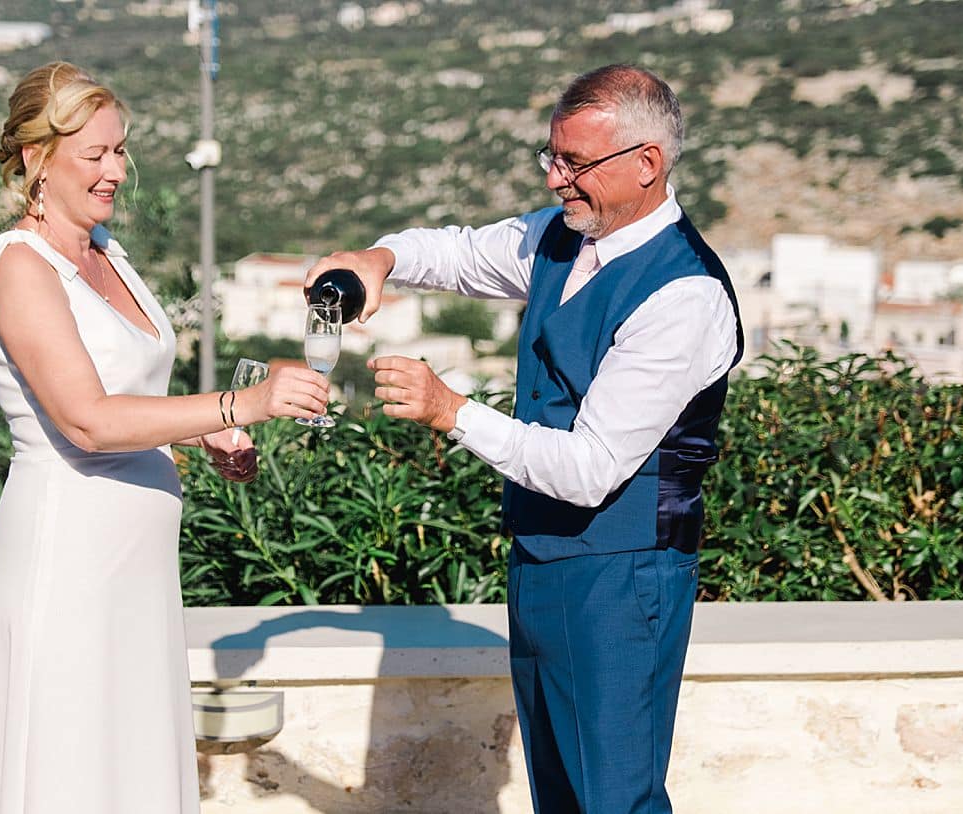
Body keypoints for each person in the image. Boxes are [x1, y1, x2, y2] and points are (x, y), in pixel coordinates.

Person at [305, 64, 743, 813]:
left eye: (575, 163)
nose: (554, 180)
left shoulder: (685, 295)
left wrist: (451, 410)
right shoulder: (560, 238)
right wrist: (378, 259)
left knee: (615, 800)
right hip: (542, 558)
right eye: (551, 157)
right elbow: (455, 253)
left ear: (647, 164)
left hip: (623, 574)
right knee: (561, 799)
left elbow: (592, 470)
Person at [0, 62, 329, 813]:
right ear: (35, 158)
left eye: (120, 150)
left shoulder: (108, 252)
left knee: (130, 772)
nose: (116, 171)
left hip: (137, 571)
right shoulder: (21, 267)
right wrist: (240, 405)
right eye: (95, 154)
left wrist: (197, 439)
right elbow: (87, 421)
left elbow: (134, 400)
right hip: (70, 563)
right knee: (69, 768)